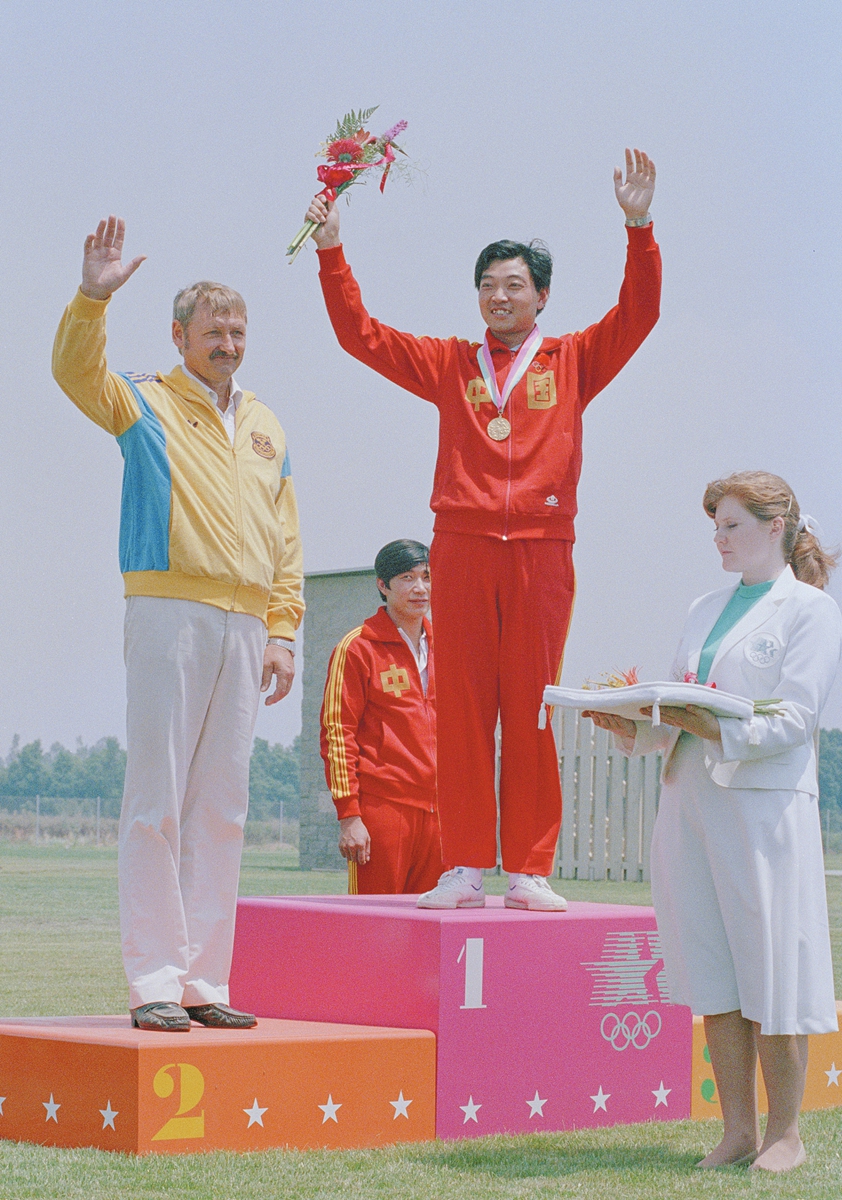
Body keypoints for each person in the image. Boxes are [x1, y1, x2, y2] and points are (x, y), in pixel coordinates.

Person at [304, 149, 660, 910]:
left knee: (531, 704)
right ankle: (465, 862)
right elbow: (360, 335)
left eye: (514, 285)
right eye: (488, 286)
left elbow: (639, 315)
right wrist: (333, 250)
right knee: (463, 706)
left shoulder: (572, 362)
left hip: (541, 550)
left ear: (541, 297)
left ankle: (529, 867)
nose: (500, 296)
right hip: (461, 547)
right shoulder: (447, 363)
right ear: (477, 297)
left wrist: (638, 227)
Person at [52, 216, 304, 1032]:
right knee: (156, 798)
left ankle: (203, 981)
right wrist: (92, 297)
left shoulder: (266, 424)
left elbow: (286, 533)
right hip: (168, 608)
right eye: (212, 332)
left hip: (244, 621)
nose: (227, 344)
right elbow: (73, 372)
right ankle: (155, 980)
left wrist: (284, 627)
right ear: (179, 336)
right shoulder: (144, 401)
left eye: (236, 331)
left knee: (223, 806)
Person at [585, 471, 841, 1173]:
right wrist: (632, 724)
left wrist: (704, 718)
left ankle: (786, 1132)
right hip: (691, 805)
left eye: (731, 525)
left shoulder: (810, 612)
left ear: (774, 526)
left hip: (763, 814)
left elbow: (793, 721)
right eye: (715, 527)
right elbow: (681, 713)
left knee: (772, 971)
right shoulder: (704, 607)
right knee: (715, 972)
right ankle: (737, 1130)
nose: (719, 539)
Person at [321, 540, 441, 894]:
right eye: (407, 577)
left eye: (427, 577)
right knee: (374, 929)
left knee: (430, 931)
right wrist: (349, 815)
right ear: (382, 585)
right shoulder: (357, 648)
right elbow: (336, 733)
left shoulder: (449, 647)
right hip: (383, 811)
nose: (420, 588)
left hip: (441, 815)